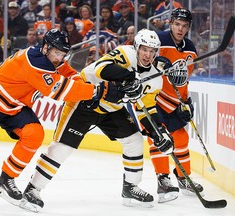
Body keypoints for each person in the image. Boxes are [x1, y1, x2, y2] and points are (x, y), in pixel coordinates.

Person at [0, 29, 124, 207]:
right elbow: (60, 90)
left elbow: (70, 75)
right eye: (57, 53)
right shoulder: (35, 61)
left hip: (13, 106)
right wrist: (98, 91)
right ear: (46, 47)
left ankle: (6, 179)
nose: (60, 58)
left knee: (34, 133)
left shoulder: (51, 58)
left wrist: (89, 90)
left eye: (63, 54)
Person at [18, 28, 174, 213]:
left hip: (111, 108)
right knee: (62, 148)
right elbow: (101, 68)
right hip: (85, 100)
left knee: (134, 140)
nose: (147, 55)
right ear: (136, 47)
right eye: (144, 49)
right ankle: (33, 189)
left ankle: (130, 188)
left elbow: (146, 108)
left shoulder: (155, 79)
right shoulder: (125, 54)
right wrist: (128, 76)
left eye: (152, 51)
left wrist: (159, 132)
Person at [148, 8, 204, 201]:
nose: (180, 29)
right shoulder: (158, 40)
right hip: (154, 98)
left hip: (174, 101)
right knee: (159, 138)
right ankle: (162, 180)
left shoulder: (190, 48)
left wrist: (186, 101)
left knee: (180, 139)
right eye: (177, 24)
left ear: (188, 28)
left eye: (185, 26)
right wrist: (156, 62)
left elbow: (185, 79)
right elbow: (141, 60)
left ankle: (183, 178)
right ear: (170, 23)